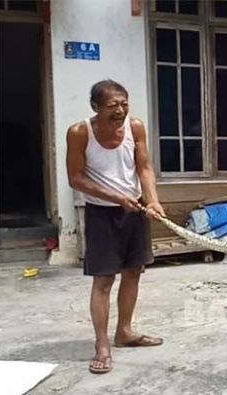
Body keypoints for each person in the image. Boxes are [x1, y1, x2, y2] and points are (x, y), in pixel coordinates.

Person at [66, 79, 166, 374]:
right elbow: (76, 178)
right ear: (96, 107)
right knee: (103, 280)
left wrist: (153, 200)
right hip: (102, 213)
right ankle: (101, 344)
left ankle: (124, 331)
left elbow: (144, 167)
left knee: (133, 272)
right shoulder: (80, 132)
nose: (120, 110)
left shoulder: (135, 127)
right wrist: (115, 197)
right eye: (113, 105)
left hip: (133, 211)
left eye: (124, 103)